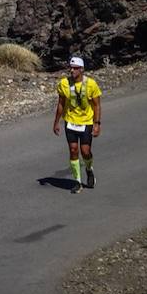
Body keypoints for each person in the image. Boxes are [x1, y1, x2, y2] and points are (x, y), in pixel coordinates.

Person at [52, 55, 102, 194]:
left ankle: (89, 169)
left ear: (82, 69)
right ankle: (77, 182)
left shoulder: (91, 84)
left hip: (86, 122)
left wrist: (97, 124)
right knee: (73, 150)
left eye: (75, 69)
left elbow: (97, 105)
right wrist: (56, 122)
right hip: (71, 122)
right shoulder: (64, 84)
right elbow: (61, 104)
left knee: (85, 152)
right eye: (71, 68)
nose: (72, 71)